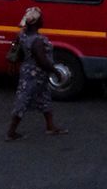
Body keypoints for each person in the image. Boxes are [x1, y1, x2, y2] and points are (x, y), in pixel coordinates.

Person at [6, 8, 65, 140]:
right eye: (41, 18)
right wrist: (55, 71)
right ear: (36, 22)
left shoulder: (23, 36)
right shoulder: (37, 40)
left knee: (44, 98)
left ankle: (50, 126)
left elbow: (18, 52)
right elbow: (42, 60)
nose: (43, 20)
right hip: (35, 75)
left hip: (29, 72)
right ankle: (11, 132)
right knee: (23, 100)